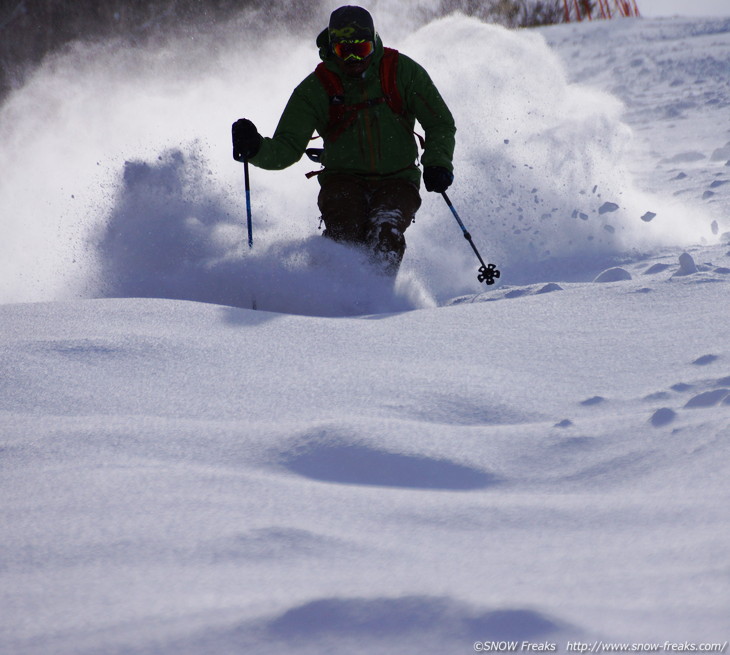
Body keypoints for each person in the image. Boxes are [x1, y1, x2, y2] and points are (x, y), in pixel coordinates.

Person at [232, 5, 456, 277]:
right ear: (332, 47)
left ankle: (379, 300)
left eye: (360, 50)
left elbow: (439, 122)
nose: (352, 59)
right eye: (343, 51)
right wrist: (255, 149)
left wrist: (437, 163)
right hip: (342, 179)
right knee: (346, 232)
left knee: (386, 230)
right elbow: (286, 148)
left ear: (373, 44)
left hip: (398, 178)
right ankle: (335, 299)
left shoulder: (401, 72)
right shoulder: (316, 88)